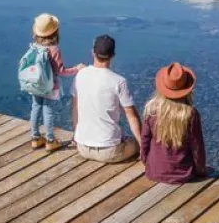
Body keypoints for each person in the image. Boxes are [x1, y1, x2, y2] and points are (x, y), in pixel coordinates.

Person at [70, 34, 142, 163]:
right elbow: (132, 117)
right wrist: (143, 146)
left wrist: (76, 135)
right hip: (109, 151)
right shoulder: (119, 81)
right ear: (113, 55)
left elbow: (75, 107)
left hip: (82, 147)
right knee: (134, 143)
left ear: (93, 52)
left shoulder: (80, 75)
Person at [140, 62, 207, 183]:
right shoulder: (190, 114)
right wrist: (201, 170)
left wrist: (147, 162)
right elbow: (197, 147)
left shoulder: (151, 110)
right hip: (183, 174)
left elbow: (145, 140)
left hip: (154, 172)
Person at [29, 13, 83, 152]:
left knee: (35, 108)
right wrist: (76, 69)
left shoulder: (34, 47)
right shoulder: (54, 50)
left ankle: (35, 138)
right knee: (48, 111)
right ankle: (50, 140)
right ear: (55, 32)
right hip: (49, 86)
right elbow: (60, 71)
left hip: (34, 84)